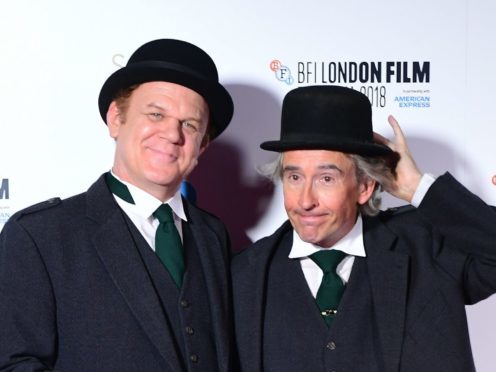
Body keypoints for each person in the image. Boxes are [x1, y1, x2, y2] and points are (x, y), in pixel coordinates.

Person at [0, 39, 236, 372]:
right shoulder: (40, 236)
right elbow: (14, 364)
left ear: (203, 145)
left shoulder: (213, 236)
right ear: (116, 118)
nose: (172, 134)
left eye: (189, 124)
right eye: (156, 114)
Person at [232, 85, 496, 372]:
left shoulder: (428, 249)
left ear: (365, 186)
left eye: (326, 179)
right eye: (294, 177)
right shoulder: (245, 275)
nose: (305, 200)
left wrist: (416, 188)